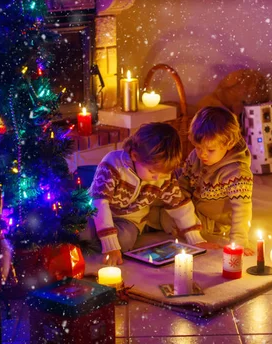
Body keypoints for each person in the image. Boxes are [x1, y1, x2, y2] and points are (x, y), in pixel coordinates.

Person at [81, 122, 217, 266]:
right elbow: (99, 203)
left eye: (163, 174)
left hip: (129, 221)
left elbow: (179, 205)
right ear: (135, 156)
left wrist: (196, 239)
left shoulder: (162, 176)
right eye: (152, 172)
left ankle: (95, 242)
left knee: (125, 241)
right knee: (80, 231)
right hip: (94, 212)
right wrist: (110, 245)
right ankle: (93, 241)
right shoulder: (113, 164)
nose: (157, 178)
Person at [176, 106, 255, 255]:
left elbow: (242, 210)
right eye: (198, 147)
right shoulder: (196, 156)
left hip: (212, 223)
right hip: (193, 208)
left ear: (229, 144)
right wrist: (179, 204)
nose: (202, 154)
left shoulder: (237, 172)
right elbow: (184, 183)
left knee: (167, 220)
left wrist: (239, 240)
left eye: (210, 150)